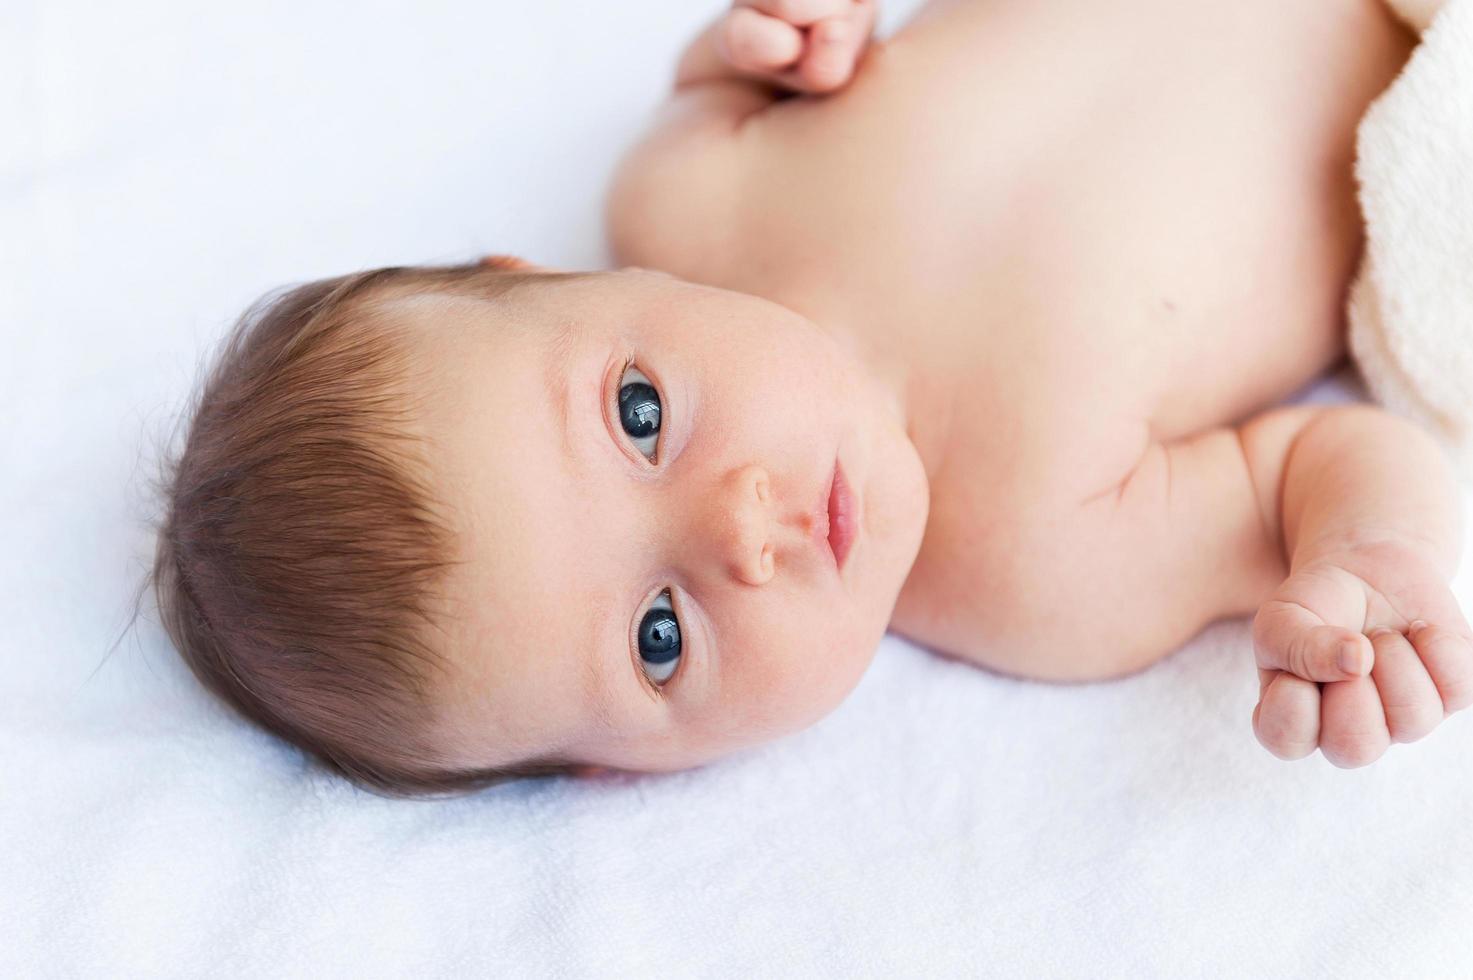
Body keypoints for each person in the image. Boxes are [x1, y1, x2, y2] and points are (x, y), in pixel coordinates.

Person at [154, 0, 1470, 797]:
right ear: (629, 773)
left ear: (547, 278)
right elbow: (1305, 468)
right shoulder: (1033, 568)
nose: (738, 529)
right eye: (657, 637)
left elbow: (748, 62)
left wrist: (780, 34)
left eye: (638, 417)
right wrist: (1365, 561)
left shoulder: (680, 190)